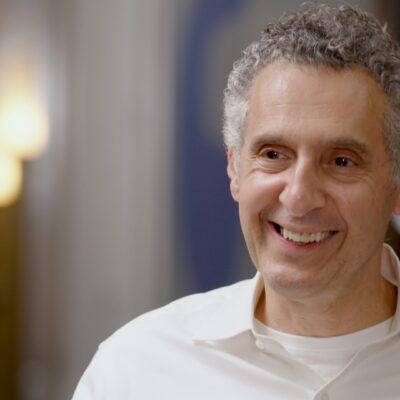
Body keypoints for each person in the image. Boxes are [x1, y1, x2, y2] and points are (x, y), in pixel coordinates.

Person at [72, 3, 400, 399]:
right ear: (234, 169)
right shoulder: (133, 370)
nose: (297, 197)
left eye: (342, 161)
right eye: (273, 154)